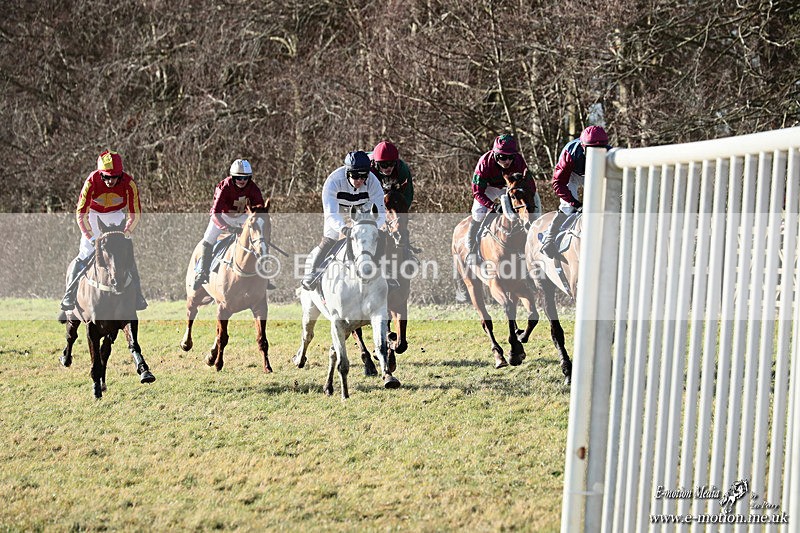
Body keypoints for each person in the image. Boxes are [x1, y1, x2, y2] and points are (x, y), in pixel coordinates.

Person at [60, 150, 147, 311]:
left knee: (124, 255)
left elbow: (135, 213)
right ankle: (69, 294)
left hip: (116, 216)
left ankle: (138, 296)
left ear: (120, 175)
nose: (110, 181)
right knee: (85, 254)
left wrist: (125, 233)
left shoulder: (129, 183)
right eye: (106, 177)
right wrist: (92, 238)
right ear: (100, 174)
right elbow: (81, 213)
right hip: (92, 216)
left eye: (114, 177)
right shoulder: (91, 181)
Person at [300, 150, 387, 291]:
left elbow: (381, 212)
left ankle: (388, 274)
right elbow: (331, 214)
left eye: (364, 176)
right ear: (347, 172)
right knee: (330, 238)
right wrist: (343, 228)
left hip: (362, 210)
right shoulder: (333, 181)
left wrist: (374, 227)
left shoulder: (373, 182)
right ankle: (313, 273)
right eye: (355, 175)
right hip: (338, 210)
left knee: (379, 236)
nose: (359, 180)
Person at [192, 158, 269, 289]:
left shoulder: (253, 188)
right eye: (239, 178)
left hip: (243, 217)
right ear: (232, 177)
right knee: (208, 239)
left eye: (246, 178)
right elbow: (215, 213)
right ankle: (202, 272)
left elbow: (259, 209)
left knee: (258, 239)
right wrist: (227, 228)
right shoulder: (224, 187)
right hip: (223, 217)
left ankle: (263, 274)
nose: (242, 181)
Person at [540, 125, 611, 258]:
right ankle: (549, 238)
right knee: (569, 207)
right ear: (583, 147)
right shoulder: (570, 153)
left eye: (600, 150)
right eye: (591, 150)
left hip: (593, 173)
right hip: (572, 174)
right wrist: (575, 203)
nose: (595, 154)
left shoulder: (609, 152)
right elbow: (558, 182)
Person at [466, 133, 537, 264]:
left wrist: (529, 200)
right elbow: (477, 192)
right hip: (488, 188)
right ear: (495, 154)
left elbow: (530, 184)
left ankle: (535, 241)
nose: (507, 161)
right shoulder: (484, 163)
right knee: (478, 213)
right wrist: (492, 206)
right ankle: (472, 249)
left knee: (528, 207)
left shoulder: (519, 161)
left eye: (510, 157)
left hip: (509, 187)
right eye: (502, 157)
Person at [369, 141, 414, 210]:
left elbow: (408, 194)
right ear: (376, 163)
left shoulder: (401, 168)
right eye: (384, 165)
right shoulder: (369, 170)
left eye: (392, 163)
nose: (388, 168)